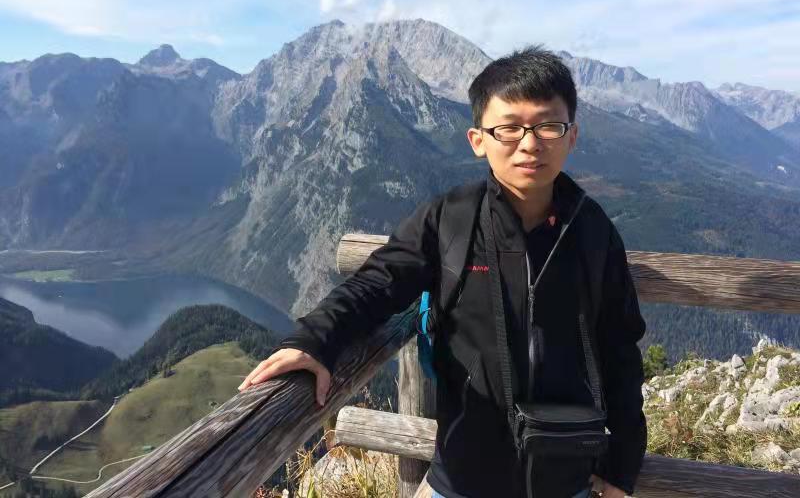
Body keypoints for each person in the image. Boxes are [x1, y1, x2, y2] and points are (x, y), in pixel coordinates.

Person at [239, 46, 647, 498]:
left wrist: (622, 466)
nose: (530, 143)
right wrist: (313, 340)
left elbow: (620, 350)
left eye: (548, 126)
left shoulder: (593, 233)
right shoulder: (451, 220)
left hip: (566, 481)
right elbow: (378, 283)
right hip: (461, 478)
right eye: (509, 128)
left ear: (572, 136)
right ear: (478, 140)